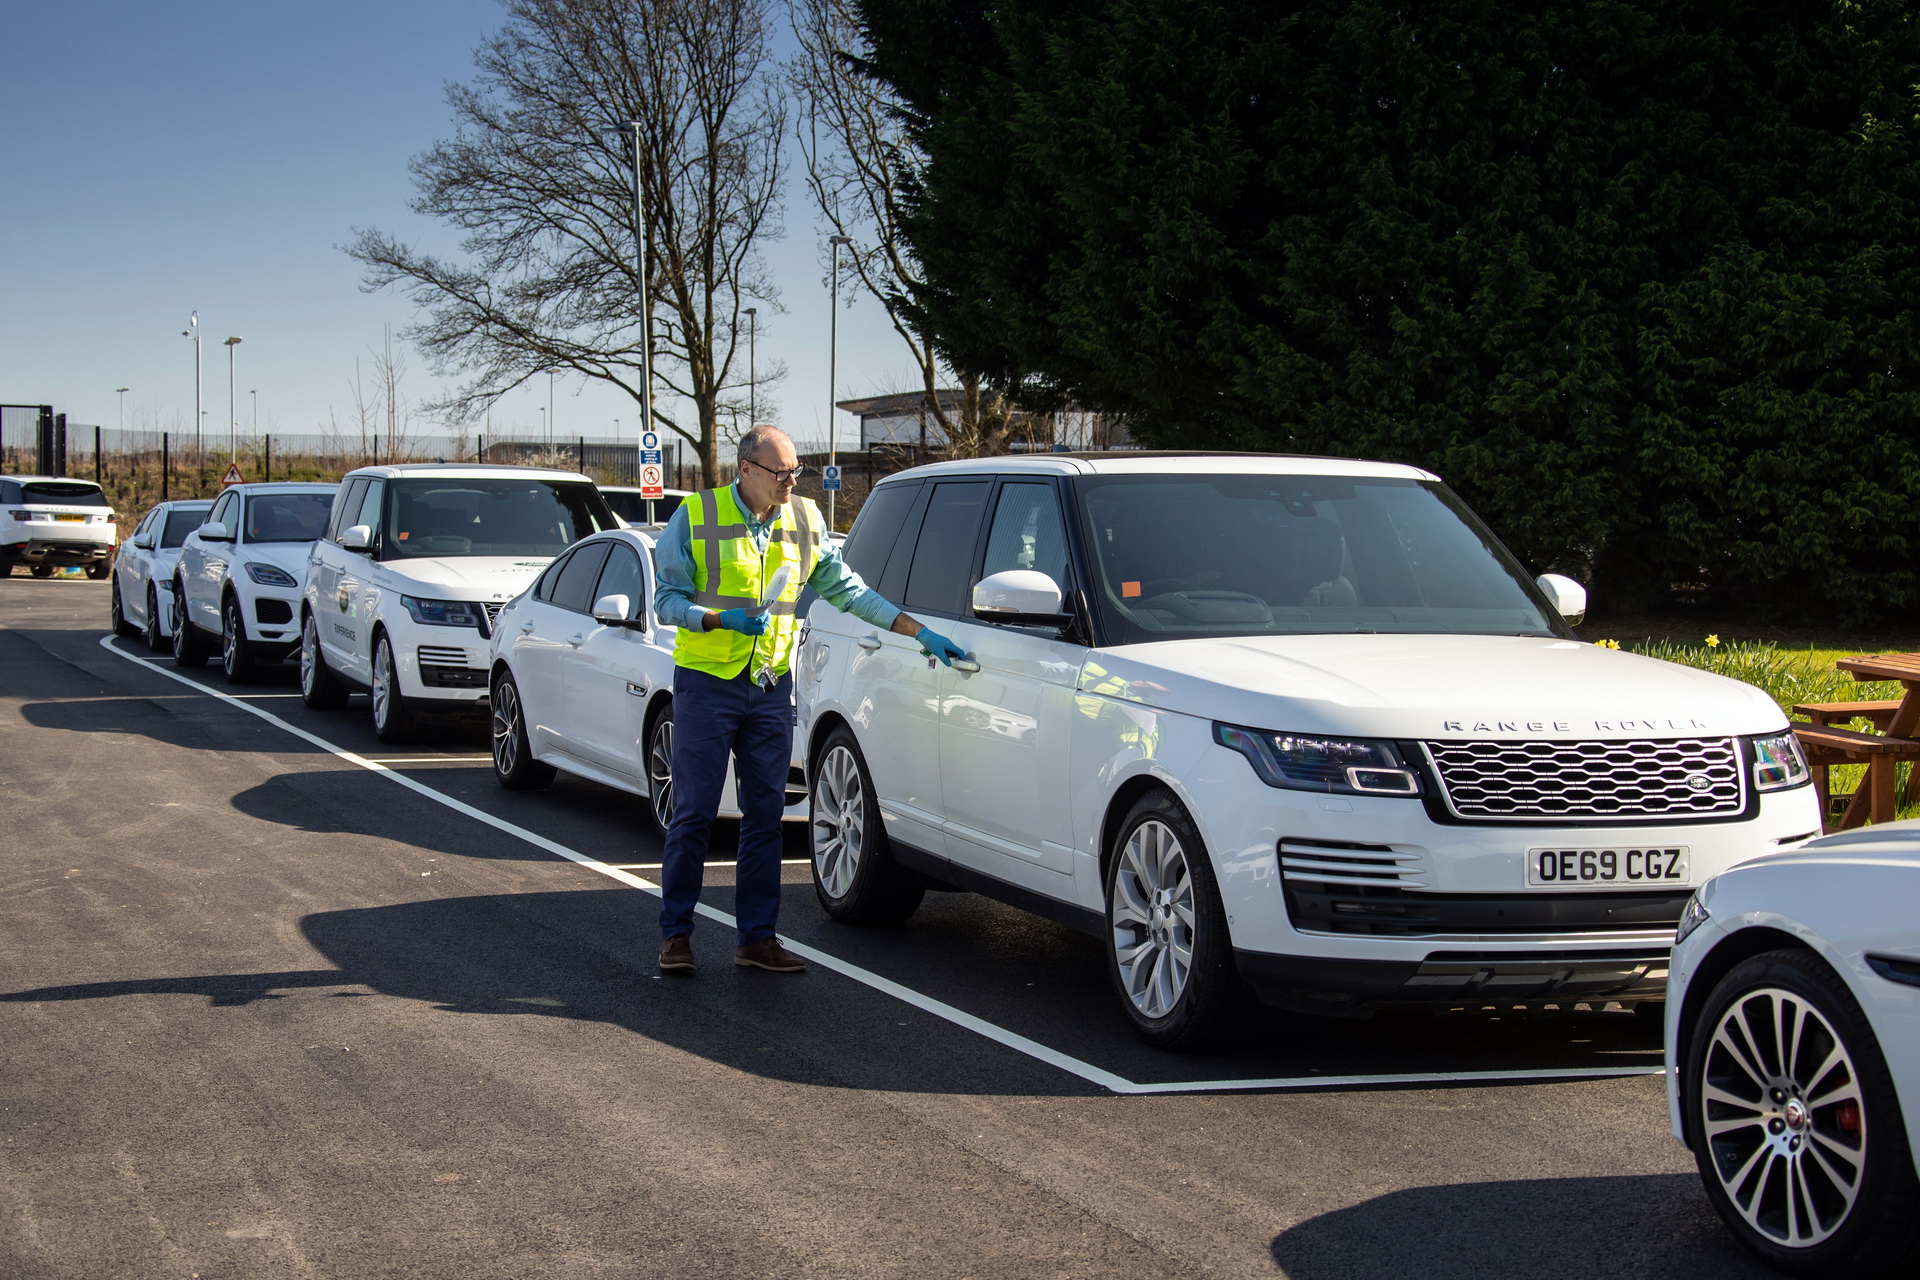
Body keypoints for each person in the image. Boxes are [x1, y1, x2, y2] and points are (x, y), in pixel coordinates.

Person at [651, 425, 964, 974]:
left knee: (766, 816)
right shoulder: (695, 516)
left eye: (797, 470)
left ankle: (756, 939)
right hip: (706, 684)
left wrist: (916, 631)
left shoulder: (805, 520)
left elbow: (848, 590)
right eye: (781, 472)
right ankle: (676, 936)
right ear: (746, 469)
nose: (792, 481)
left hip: (770, 686)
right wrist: (718, 618)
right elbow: (667, 601)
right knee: (695, 814)